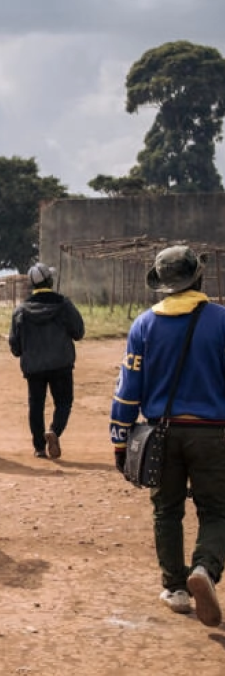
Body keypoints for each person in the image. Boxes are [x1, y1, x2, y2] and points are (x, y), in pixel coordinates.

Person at [110, 245, 225, 626]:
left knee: (167, 509)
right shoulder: (221, 321)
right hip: (212, 434)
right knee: (217, 510)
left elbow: (129, 387)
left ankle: (175, 588)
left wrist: (120, 437)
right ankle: (205, 569)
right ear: (198, 278)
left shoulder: (143, 325)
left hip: (161, 433)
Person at [8, 262, 85, 459]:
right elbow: (78, 332)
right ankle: (54, 431)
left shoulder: (21, 311)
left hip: (34, 368)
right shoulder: (64, 305)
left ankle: (39, 448)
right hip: (61, 365)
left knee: (36, 405)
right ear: (50, 281)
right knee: (64, 402)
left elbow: (15, 347)